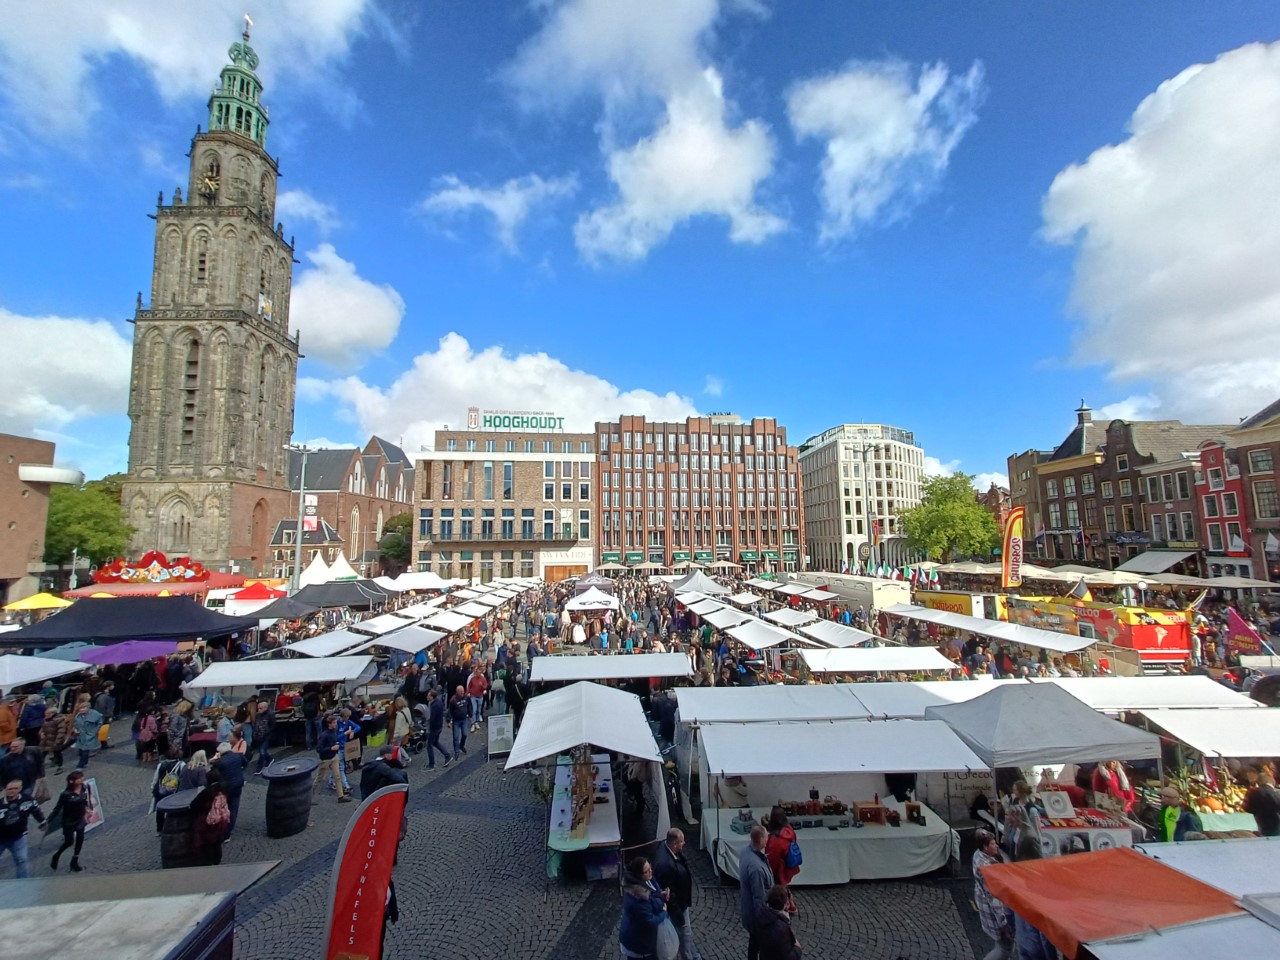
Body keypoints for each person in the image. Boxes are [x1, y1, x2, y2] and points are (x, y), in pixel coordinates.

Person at [652, 827, 700, 960]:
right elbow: (669, 893)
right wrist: (678, 914)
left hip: (680, 903)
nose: (684, 843)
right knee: (685, 934)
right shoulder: (666, 865)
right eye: (682, 841)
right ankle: (689, 957)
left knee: (686, 934)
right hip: (678, 907)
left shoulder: (667, 850)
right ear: (674, 844)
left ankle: (693, 955)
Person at [1011, 835, 1057, 960]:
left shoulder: (1016, 881)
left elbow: (1008, 910)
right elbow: (1044, 935)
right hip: (1036, 948)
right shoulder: (1040, 892)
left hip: (1022, 940)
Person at [972, 829, 1012, 960]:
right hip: (994, 914)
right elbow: (994, 899)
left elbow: (979, 832)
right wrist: (1003, 923)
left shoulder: (977, 855)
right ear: (985, 847)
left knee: (1001, 947)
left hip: (983, 905)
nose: (997, 846)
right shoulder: (987, 869)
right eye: (993, 844)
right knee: (1004, 949)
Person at [619, 856, 669, 960]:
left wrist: (661, 895)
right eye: (647, 871)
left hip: (641, 937)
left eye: (650, 867)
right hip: (638, 944)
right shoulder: (639, 898)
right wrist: (663, 913)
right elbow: (649, 921)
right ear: (639, 875)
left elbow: (654, 894)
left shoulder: (646, 880)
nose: (651, 871)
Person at [739, 825, 773, 960]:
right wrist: (763, 920)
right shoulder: (756, 868)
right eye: (766, 837)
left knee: (754, 943)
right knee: (759, 944)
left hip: (748, 908)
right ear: (760, 840)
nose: (768, 839)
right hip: (756, 915)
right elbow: (759, 897)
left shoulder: (745, 851)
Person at [0, 778, 46, 878]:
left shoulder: (28, 800)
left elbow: (36, 810)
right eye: (9, 789)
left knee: (22, 861)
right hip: (1, 838)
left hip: (18, 838)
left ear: (20, 788)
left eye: (15, 788)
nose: (12, 791)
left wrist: (42, 821)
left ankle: (23, 884)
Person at [48, 770, 90, 872]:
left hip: (80, 819)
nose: (82, 779)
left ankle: (74, 861)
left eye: (82, 778)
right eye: (79, 778)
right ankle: (56, 855)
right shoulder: (65, 795)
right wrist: (48, 821)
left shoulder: (84, 788)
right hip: (69, 821)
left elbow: (85, 800)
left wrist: (88, 809)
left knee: (80, 840)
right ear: (72, 781)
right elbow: (57, 809)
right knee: (69, 842)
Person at [764, 806, 800, 908]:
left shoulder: (776, 839)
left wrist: (769, 870)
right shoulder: (789, 829)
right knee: (784, 886)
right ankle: (791, 904)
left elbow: (772, 859)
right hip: (788, 866)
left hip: (780, 869)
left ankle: (785, 906)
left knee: (779, 890)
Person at [211, 741, 251, 833]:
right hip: (237, 784)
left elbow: (213, 774)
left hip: (225, 786)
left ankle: (224, 827)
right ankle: (229, 829)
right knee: (234, 807)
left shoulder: (219, 762)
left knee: (226, 806)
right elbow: (245, 763)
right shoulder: (238, 756)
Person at [753, 885, 801, 960]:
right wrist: (797, 949)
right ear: (785, 904)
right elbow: (787, 957)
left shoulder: (760, 914)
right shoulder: (781, 928)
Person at [312, 715, 352, 805]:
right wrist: (331, 748)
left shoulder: (333, 732)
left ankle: (340, 796)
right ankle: (310, 795)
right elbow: (319, 749)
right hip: (326, 759)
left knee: (337, 776)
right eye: (334, 723)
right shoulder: (324, 735)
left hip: (334, 757)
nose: (336, 724)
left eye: (336, 722)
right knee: (319, 778)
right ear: (329, 724)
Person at [1243, 770, 1280, 837]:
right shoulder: (1276, 793)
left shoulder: (1252, 793)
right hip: (1276, 825)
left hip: (1262, 824)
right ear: (1271, 782)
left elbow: (1246, 808)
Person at [71, 700, 102, 770]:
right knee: (81, 750)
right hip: (80, 735)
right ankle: (85, 762)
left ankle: (80, 766)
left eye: (83, 708)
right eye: (80, 709)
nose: (81, 710)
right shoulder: (78, 715)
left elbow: (99, 723)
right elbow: (75, 724)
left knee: (85, 750)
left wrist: (94, 732)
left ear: (88, 708)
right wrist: (75, 729)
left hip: (89, 735)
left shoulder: (95, 714)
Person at [426, 688, 452, 769]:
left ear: (432, 697)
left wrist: (428, 727)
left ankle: (431, 764)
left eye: (428, 696)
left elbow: (432, 718)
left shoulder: (434, 706)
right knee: (435, 742)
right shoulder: (439, 702)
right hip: (439, 727)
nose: (427, 697)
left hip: (434, 728)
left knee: (429, 745)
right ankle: (447, 755)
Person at [40, 705, 69, 775]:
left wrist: (57, 741)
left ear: (53, 713)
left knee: (57, 753)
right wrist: (41, 733)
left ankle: (60, 767)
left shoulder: (59, 720)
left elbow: (61, 732)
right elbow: (42, 728)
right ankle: (38, 768)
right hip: (46, 740)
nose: (45, 715)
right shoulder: (45, 719)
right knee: (42, 754)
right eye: (45, 713)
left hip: (54, 740)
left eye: (47, 714)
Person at [252, 698, 275, 773]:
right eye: (258, 708)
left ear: (266, 708)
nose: (258, 710)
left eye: (260, 708)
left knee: (262, 751)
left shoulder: (270, 714)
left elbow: (273, 725)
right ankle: (269, 760)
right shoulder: (258, 715)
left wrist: (267, 732)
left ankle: (260, 767)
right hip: (259, 736)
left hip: (266, 736)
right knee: (263, 751)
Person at [448, 685, 471, 756]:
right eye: (461, 692)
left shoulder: (466, 697)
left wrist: (470, 714)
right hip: (456, 721)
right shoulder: (453, 700)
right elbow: (450, 711)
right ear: (457, 692)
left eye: (463, 692)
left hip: (464, 719)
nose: (462, 693)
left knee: (465, 734)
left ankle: (461, 745)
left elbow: (469, 706)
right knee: (456, 737)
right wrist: (449, 721)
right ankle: (456, 751)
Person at [466, 665, 488, 734]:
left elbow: (485, 685)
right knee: (474, 710)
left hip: (480, 696)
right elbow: (469, 686)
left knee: (478, 710)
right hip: (473, 696)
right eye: (477, 672)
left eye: (479, 672)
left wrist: (484, 689)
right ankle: (473, 723)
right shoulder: (472, 679)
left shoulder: (483, 679)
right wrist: (468, 693)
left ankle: (476, 722)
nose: (478, 673)